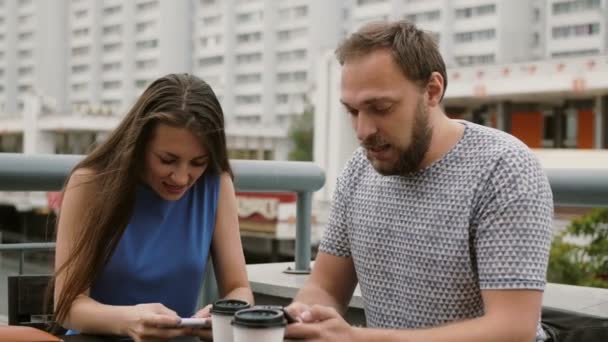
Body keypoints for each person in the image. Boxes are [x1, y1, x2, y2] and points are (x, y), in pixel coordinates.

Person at [285, 20, 553, 341]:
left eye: (380, 108)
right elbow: (325, 286)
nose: (362, 130)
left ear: (432, 91)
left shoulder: (503, 169)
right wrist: (298, 319)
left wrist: (359, 339)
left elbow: (513, 329)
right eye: (353, 111)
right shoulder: (359, 169)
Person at [53, 73, 253, 341]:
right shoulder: (89, 185)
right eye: (167, 159)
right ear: (138, 143)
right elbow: (67, 305)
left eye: (198, 162)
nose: (182, 178)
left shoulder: (217, 185)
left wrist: (223, 314)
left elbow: (239, 288)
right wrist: (129, 322)